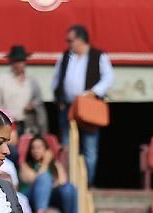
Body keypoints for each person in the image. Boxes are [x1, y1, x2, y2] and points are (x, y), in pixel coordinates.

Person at [51, 24, 111, 184]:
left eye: (70, 40)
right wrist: (59, 99)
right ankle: (68, 181)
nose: (68, 44)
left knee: (89, 148)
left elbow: (108, 78)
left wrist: (94, 92)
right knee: (67, 146)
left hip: (89, 106)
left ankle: (87, 184)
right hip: (69, 107)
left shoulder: (99, 56)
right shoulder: (65, 57)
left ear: (80, 40)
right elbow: (56, 80)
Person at [17, 133, 76, 213]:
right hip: (30, 198)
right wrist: (45, 164)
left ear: (46, 150)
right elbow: (35, 181)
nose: (35, 150)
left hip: (51, 198)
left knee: (69, 188)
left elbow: (63, 183)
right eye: (33, 148)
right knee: (43, 178)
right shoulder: (25, 165)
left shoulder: (55, 165)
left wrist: (54, 165)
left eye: (39, 148)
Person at [0, 45, 45, 136]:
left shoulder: (32, 81)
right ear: (11, 62)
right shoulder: (2, 80)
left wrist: (33, 105)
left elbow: (39, 101)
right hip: (9, 123)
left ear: (25, 62)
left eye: (21, 61)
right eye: (16, 61)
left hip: (28, 124)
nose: (19, 64)